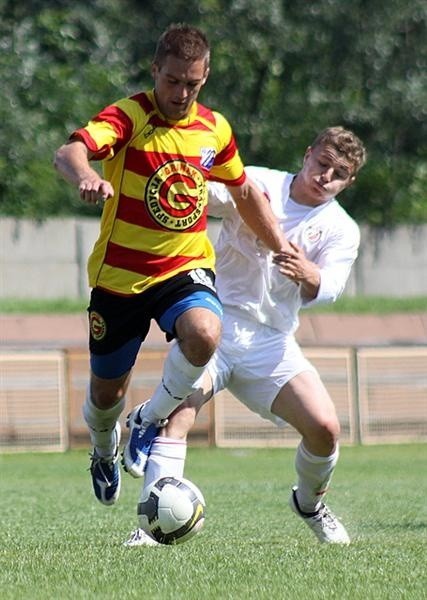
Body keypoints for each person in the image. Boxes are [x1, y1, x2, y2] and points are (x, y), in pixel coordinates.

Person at [54, 23, 288, 507]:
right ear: (155, 70)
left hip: (183, 266)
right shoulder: (129, 116)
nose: (181, 93)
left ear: (205, 78)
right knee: (104, 394)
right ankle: (103, 447)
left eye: (192, 84)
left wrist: (281, 247)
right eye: (173, 81)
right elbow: (70, 150)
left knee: (204, 333)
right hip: (119, 278)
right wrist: (85, 177)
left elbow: (243, 190)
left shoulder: (214, 129)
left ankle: (149, 417)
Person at [125, 125, 367, 547]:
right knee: (178, 420)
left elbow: (329, 288)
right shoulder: (258, 183)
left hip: (272, 342)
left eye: (338, 174)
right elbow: (206, 194)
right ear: (307, 155)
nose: (325, 176)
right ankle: (151, 527)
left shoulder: (341, 229)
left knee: (326, 428)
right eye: (322, 163)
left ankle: (309, 505)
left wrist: (312, 277)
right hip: (216, 321)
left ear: (348, 182)